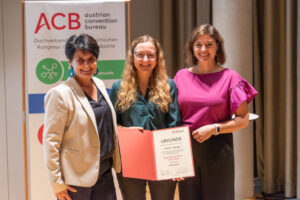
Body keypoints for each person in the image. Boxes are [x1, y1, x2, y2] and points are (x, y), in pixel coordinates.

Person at [174, 24, 258, 200]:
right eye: (198, 44)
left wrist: (214, 128)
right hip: (187, 150)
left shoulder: (230, 78)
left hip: (218, 149)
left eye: (209, 44)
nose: (203, 49)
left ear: (217, 46)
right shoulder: (180, 76)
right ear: (192, 47)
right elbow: (172, 117)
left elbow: (243, 120)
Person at [43, 34, 121, 200]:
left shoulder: (99, 84)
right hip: (76, 180)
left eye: (91, 59)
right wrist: (57, 182)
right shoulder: (60, 94)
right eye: (80, 60)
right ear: (70, 62)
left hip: (105, 174)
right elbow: (51, 141)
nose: (86, 65)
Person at [109, 35, 181, 200]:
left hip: (163, 159)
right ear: (132, 57)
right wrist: (125, 130)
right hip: (130, 159)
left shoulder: (169, 86)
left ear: (157, 58)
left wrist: (177, 164)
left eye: (151, 55)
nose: (145, 60)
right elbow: (111, 124)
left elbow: (174, 125)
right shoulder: (118, 88)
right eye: (140, 55)